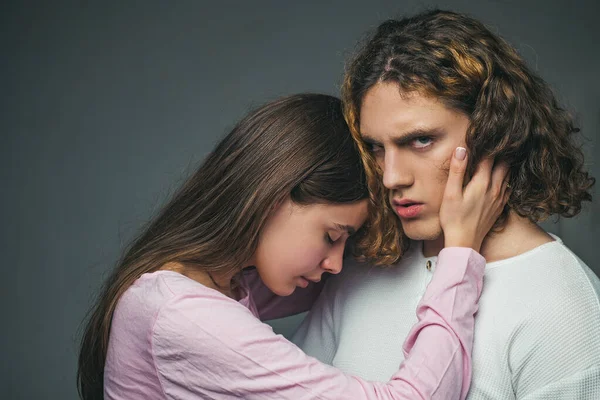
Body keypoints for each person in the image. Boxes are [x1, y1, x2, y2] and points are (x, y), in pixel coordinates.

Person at [76, 93, 508, 400]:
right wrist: (460, 249)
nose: (337, 263)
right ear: (272, 198)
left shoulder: (216, 281)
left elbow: (353, 276)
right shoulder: (184, 316)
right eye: (331, 236)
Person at [293, 9, 600, 400]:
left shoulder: (564, 307)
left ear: (495, 132)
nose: (391, 176)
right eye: (374, 147)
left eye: (420, 140)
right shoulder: (358, 271)